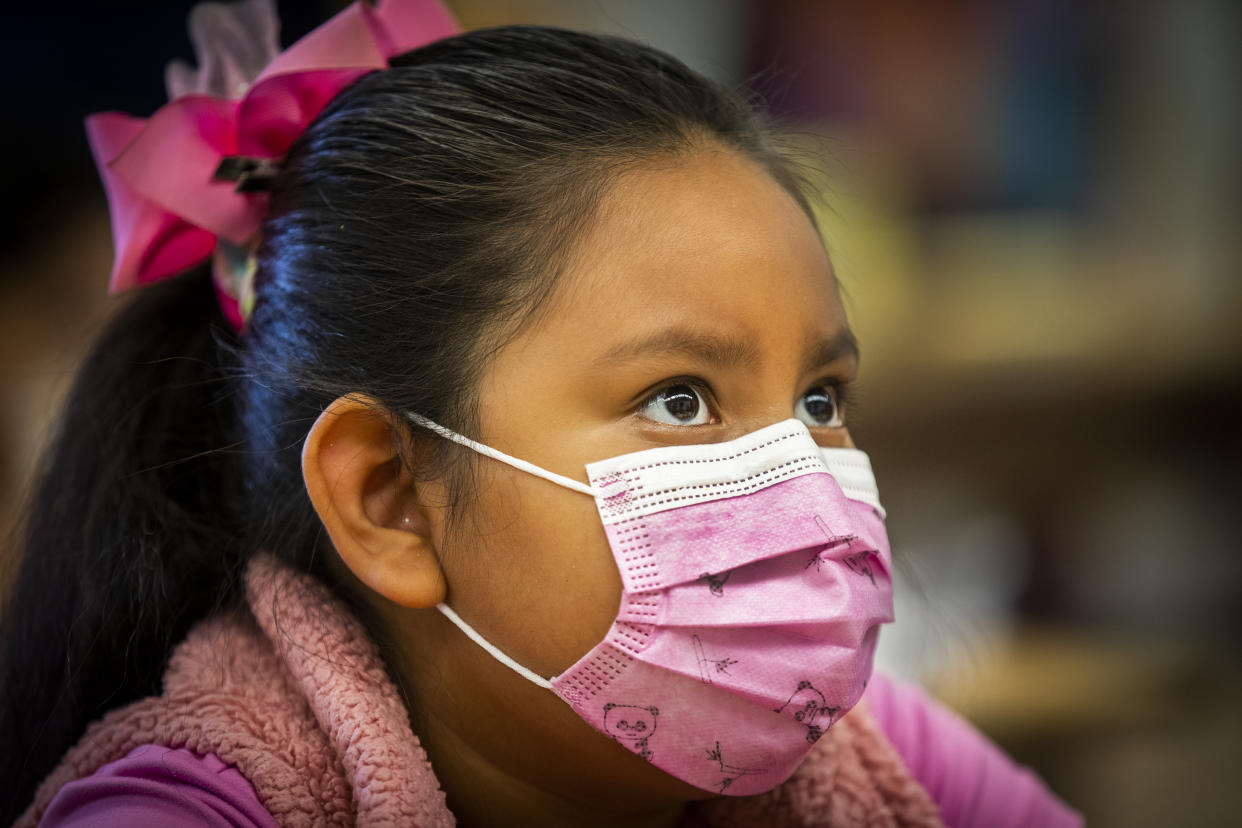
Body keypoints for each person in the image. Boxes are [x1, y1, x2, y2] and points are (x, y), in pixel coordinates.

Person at [1, 1, 1083, 826]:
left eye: (819, 399)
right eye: (681, 399)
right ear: (391, 500)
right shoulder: (182, 806)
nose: (798, 481)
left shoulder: (863, 752)